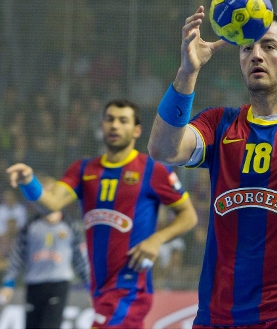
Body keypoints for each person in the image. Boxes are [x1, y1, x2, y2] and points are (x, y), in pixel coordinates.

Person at [147, 6, 277, 328]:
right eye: (248, 48)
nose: (256, 55)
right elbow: (162, 149)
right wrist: (187, 71)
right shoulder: (219, 123)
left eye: (269, 46)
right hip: (218, 315)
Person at [6, 99, 198, 328]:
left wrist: (156, 240)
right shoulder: (83, 170)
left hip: (130, 288)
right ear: (102, 126)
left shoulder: (153, 170)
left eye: (123, 120)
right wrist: (29, 181)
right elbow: (50, 204)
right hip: (99, 289)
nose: (114, 125)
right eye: (109, 119)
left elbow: (189, 216)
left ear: (137, 130)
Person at [0, 209, 90, 329]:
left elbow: (80, 259)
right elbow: (17, 256)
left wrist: (90, 287)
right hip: (34, 284)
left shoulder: (69, 224)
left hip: (58, 285)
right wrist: (8, 283)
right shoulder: (31, 224)